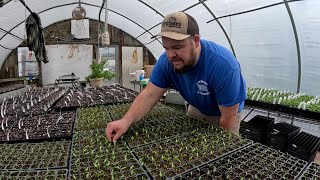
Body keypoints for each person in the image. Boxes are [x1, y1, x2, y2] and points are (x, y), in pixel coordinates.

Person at [106, 12, 246, 142]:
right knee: (193, 144)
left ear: (196, 40)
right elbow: (149, 95)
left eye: (177, 47)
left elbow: (227, 118)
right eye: (166, 48)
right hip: (197, 107)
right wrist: (126, 120)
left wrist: (220, 148)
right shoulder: (166, 62)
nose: (170, 55)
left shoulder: (223, 65)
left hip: (225, 113)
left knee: (222, 151)